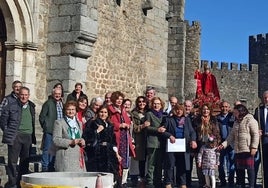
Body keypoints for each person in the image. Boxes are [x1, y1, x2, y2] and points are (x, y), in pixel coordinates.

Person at [0, 87, 36, 188]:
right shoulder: (11, 106)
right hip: (16, 136)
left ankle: (21, 182)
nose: (24, 97)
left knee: (25, 161)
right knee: (12, 161)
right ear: (18, 95)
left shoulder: (32, 106)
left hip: (28, 136)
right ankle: (12, 183)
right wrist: (8, 131)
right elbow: (3, 120)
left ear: (28, 96)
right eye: (22, 94)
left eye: (26, 95)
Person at [219, 104, 259, 188]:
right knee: (240, 170)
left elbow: (255, 135)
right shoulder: (236, 122)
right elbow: (231, 136)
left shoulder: (251, 120)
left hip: (248, 149)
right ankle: (242, 185)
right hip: (238, 149)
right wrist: (223, 145)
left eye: (235, 113)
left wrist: (254, 147)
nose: (234, 115)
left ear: (241, 112)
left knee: (250, 169)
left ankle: (251, 186)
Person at [82, 105, 121, 185]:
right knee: (98, 176)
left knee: (112, 175)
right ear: (98, 113)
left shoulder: (110, 125)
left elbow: (113, 141)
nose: (103, 114)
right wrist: (96, 131)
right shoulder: (92, 123)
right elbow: (86, 137)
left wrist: (116, 153)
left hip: (109, 153)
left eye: (105, 112)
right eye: (101, 112)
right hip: (97, 153)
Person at [161, 104, 197, 188]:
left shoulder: (186, 120)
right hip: (172, 145)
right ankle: (168, 183)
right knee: (170, 165)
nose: (179, 111)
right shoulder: (168, 119)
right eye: (177, 109)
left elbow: (192, 132)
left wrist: (193, 140)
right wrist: (169, 136)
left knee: (182, 165)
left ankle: (182, 183)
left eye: (181, 110)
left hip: (183, 146)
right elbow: (162, 131)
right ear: (174, 110)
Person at [107, 91, 135, 187]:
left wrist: (128, 124)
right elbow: (109, 122)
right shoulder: (110, 110)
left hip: (125, 137)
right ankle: (116, 181)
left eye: (121, 99)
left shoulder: (123, 110)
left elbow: (128, 121)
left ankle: (123, 181)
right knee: (117, 159)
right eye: (117, 99)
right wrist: (119, 125)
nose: (119, 101)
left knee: (125, 160)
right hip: (116, 136)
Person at [192, 103, 221, 187]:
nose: (205, 111)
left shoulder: (213, 119)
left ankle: (212, 184)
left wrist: (216, 142)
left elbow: (217, 132)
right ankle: (202, 184)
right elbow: (193, 132)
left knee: (211, 166)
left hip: (211, 146)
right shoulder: (196, 120)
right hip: (200, 144)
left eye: (207, 109)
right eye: (204, 109)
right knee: (200, 166)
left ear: (210, 110)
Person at [53, 100, 86, 172]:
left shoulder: (79, 123)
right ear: (65, 111)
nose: (71, 112)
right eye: (68, 109)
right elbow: (56, 140)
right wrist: (70, 142)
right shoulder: (59, 123)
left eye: (73, 109)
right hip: (65, 157)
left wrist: (82, 140)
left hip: (77, 157)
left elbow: (78, 136)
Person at [39, 87, 63, 172]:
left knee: (54, 150)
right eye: (56, 94)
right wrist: (46, 126)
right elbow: (42, 117)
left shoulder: (61, 103)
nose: (57, 95)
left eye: (59, 94)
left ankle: (52, 166)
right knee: (47, 149)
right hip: (49, 130)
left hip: (59, 131)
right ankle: (45, 167)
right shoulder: (48, 103)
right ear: (53, 94)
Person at [144, 96, 166, 187]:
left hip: (161, 142)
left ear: (161, 105)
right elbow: (147, 127)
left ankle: (158, 180)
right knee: (151, 163)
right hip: (152, 141)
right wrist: (157, 130)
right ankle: (150, 181)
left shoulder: (164, 115)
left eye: (158, 104)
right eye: (154, 104)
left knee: (159, 163)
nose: (156, 105)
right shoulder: (149, 114)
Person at [216, 101, 235, 186]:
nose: (225, 108)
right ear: (220, 107)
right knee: (220, 163)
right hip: (221, 143)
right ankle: (223, 181)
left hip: (231, 143)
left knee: (232, 163)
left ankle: (231, 181)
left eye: (226, 107)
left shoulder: (233, 117)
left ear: (229, 108)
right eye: (223, 106)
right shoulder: (217, 118)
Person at [131, 96, 149, 185]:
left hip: (149, 139)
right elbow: (134, 128)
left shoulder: (149, 112)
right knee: (140, 159)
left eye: (143, 101)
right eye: (140, 102)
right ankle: (140, 178)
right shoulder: (134, 114)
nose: (142, 103)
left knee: (149, 159)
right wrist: (142, 126)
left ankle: (147, 177)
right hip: (140, 140)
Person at [253, 90, 268, 187]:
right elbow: (255, 123)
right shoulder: (258, 110)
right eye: (265, 98)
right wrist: (257, 130)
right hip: (262, 141)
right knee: (263, 164)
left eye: (267, 97)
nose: (266, 99)